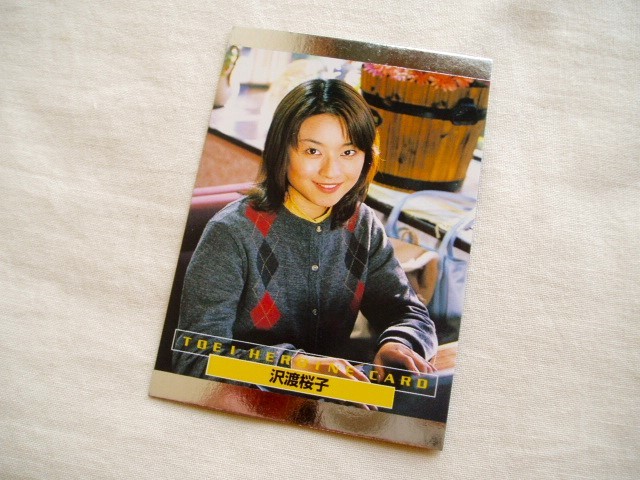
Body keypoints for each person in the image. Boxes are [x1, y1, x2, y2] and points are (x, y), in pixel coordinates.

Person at [172, 78, 437, 385]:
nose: (331, 171)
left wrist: (400, 342)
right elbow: (193, 360)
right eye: (313, 151)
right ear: (281, 152)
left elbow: (408, 312)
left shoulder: (362, 224)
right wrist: (292, 366)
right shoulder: (230, 234)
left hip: (335, 398)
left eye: (349, 152)